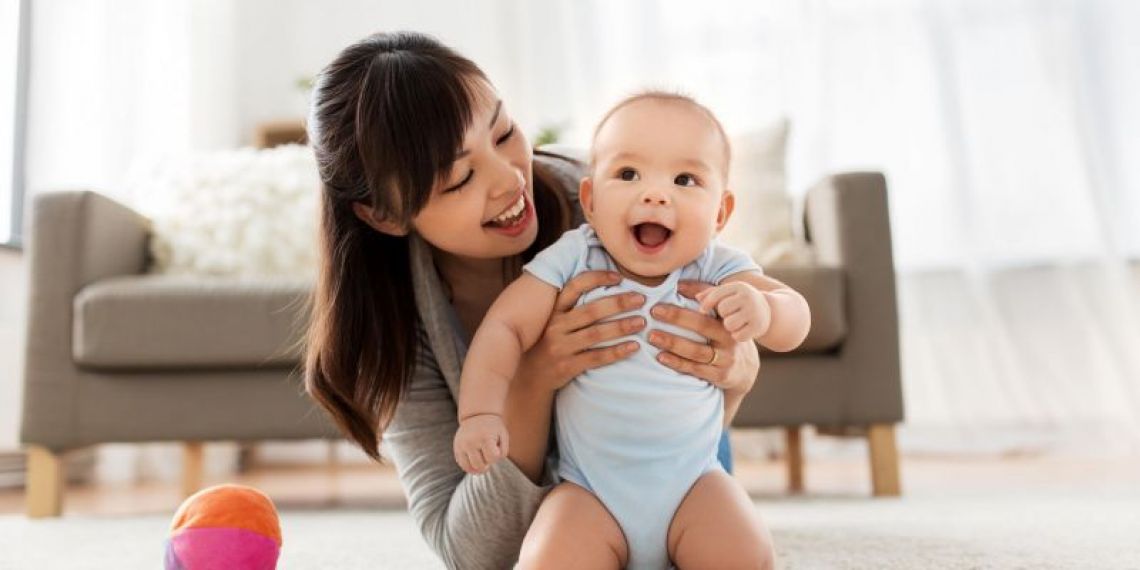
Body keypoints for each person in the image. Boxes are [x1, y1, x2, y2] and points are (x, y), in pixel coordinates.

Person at [169, 30, 769, 570]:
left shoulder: (618, 202)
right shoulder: (394, 324)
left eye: (505, 132)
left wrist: (735, 370)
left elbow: (718, 348)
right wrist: (534, 379)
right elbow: (472, 553)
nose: (510, 179)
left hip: (685, 483)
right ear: (383, 214)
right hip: (575, 522)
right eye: (459, 179)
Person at [452, 92, 810, 569]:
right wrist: (478, 414)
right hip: (589, 493)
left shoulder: (719, 267)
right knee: (549, 558)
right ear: (591, 200)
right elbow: (504, 328)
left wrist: (764, 311)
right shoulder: (574, 256)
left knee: (746, 553)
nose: (655, 194)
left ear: (720, 214)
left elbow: (796, 317)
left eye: (685, 179)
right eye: (628, 174)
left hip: (694, 486)